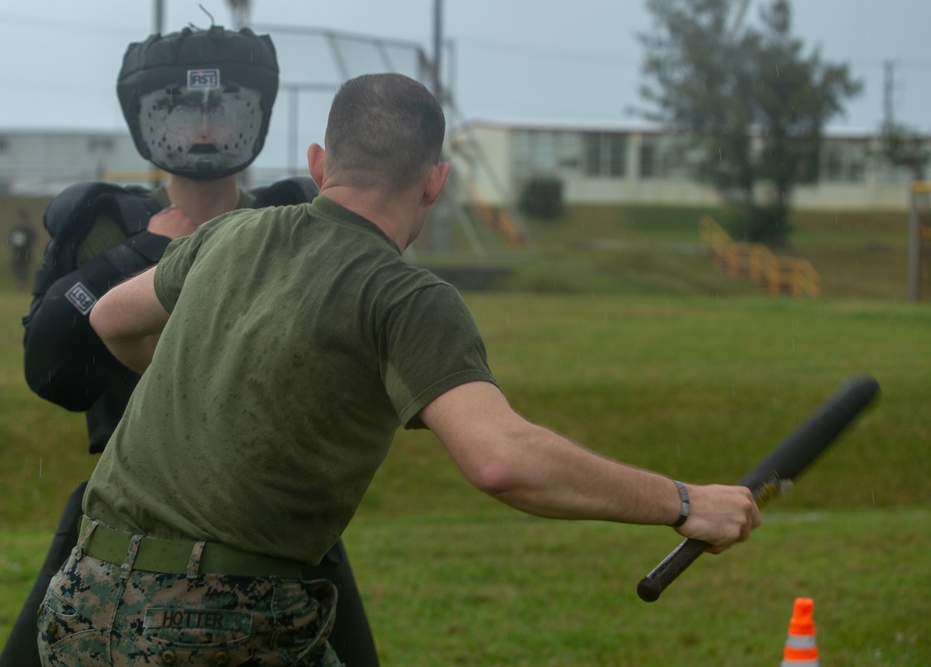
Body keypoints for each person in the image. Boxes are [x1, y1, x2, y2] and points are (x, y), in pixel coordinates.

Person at [39, 73, 760, 665]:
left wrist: (208, 373)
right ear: (435, 181)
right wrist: (688, 501)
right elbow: (502, 458)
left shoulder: (229, 234)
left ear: (320, 163)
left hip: (82, 597)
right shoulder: (406, 295)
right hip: (214, 624)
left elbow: (108, 318)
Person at [1, 26, 379, 667]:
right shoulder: (99, 224)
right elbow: (51, 371)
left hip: (269, 518)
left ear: (254, 115)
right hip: (126, 511)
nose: (204, 131)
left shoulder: (297, 222)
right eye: (179, 111)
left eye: (225, 110)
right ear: (147, 118)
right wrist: (140, 251)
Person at [7, 209, 36, 288]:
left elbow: (32, 239)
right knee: (19, 267)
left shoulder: (25, 229)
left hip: (24, 252)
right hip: (19, 252)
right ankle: (22, 283)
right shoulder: (18, 228)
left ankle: (23, 283)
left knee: (23, 267)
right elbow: (10, 239)